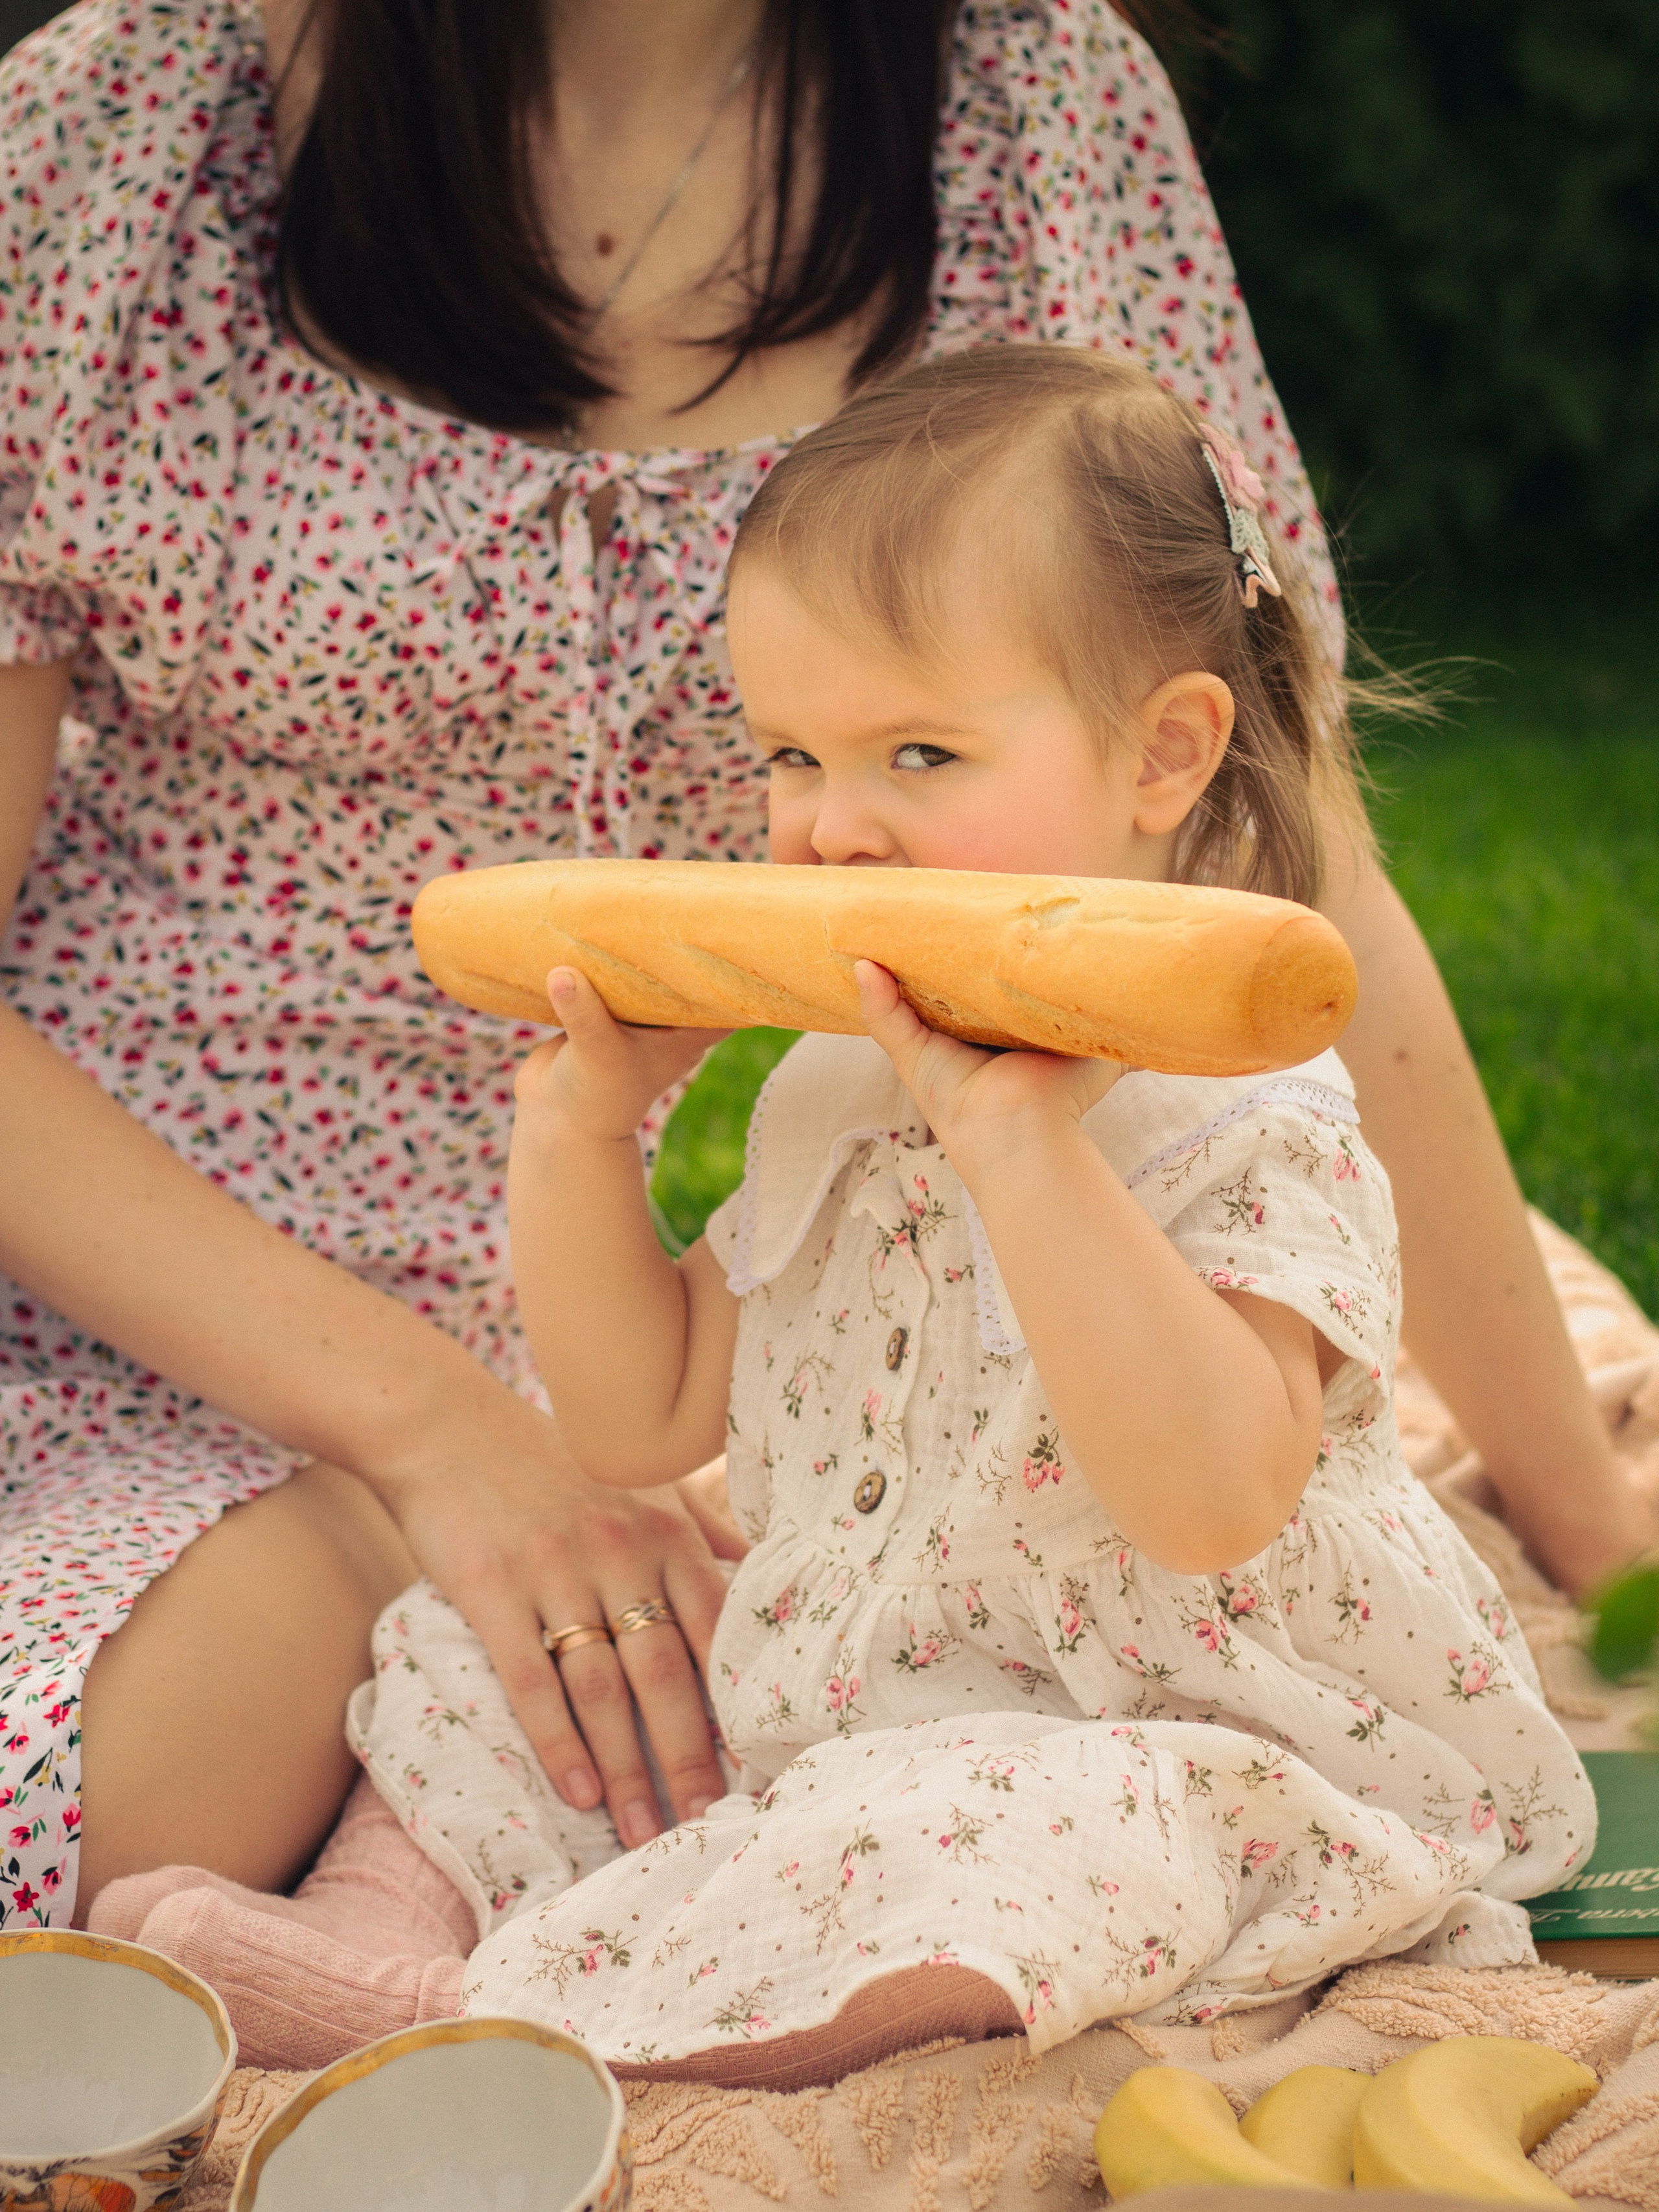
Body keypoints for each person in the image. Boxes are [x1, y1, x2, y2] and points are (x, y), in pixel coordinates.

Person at [0, 0, 1638, 1939]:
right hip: (105, 1243)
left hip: (542, 1306)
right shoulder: (112, 132)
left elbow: (1288, 895)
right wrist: (438, 1431)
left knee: (90, 1811)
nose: (833, 811)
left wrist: (1595, 1531)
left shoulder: (1033, 106)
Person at [288, 345, 1588, 2073]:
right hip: (836, 1703)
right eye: (791, 758)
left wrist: (1030, 1156)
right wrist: (580, 1135)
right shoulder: (839, 1083)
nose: (833, 833)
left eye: (917, 751)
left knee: (1014, 1844)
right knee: (480, 1648)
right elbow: (636, 1412)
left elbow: (1210, 1502)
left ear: (1164, 755)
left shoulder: (1251, 1108)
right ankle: (354, 1934)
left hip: (1160, 1738)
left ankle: (480, 2026)